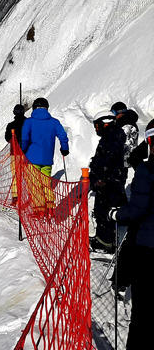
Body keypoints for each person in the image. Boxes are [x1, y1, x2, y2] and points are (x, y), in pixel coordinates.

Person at [108, 119, 154, 350]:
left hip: (147, 248)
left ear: (149, 142)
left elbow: (138, 209)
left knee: (143, 312)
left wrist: (117, 215)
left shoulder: (147, 170)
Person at [20, 97, 70, 212]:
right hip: (47, 159)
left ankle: (39, 209)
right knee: (46, 182)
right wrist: (64, 149)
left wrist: (22, 150)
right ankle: (50, 205)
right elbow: (63, 136)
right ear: (47, 108)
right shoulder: (54, 122)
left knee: (35, 184)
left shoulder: (29, 122)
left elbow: (25, 139)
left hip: (32, 158)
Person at [89, 110, 127, 253]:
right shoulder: (111, 135)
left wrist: (100, 178)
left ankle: (105, 242)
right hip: (110, 180)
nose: (96, 129)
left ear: (106, 123)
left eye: (98, 126)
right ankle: (103, 238)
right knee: (104, 209)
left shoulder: (110, 138)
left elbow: (107, 161)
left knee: (103, 211)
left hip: (108, 182)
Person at [111, 101, 139, 179]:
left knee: (118, 182)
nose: (113, 115)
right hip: (127, 158)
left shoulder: (126, 124)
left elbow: (124, 144)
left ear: (120, 112)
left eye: (113, 112)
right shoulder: (128, 121)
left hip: (123, 159)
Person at [5, 104, 27, 202]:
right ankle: (29, 194)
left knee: (15, 175)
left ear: (14, 112)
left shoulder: (10, 125)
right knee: (28, 175)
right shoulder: (28, 123)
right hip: (27, 153)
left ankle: (15, 196)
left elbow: (7, 138)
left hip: (14, 153)